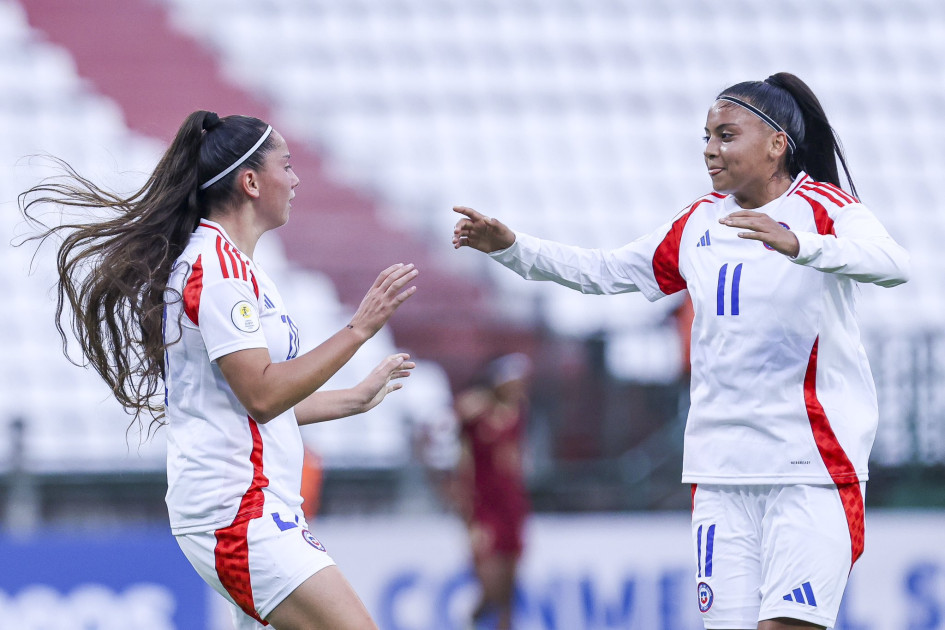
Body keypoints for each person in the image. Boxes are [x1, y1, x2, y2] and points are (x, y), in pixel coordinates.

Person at [451, 73, 910, 629]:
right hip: (720, 474)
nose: (710, 151)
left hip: (810, 470)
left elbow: (893, 265)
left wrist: (802, 245)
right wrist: (516, 248)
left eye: (726, 135)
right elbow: (607, 271)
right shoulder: (699, 223)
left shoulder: (824, 209)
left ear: (776, 143)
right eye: (707, 137)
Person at [20, 111, 419, 630]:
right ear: (250, 182)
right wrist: (357, 331)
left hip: (252, 505)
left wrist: (353, 398)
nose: (296, 179)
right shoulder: (217, 272)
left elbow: (250, 402)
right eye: (287, 165)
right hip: (239, 512)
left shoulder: (235, 266)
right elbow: (260, 395)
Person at [452, 353, 532, 630]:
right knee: (490, 583)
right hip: (484, 508)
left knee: (510, 584)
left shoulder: (516, 413)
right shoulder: (476, 413)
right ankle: (473, 619)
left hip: (512, 506)